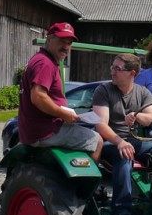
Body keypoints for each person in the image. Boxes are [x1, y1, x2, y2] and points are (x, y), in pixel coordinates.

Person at [91, 54, 152, 215]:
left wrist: (138, 116)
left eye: (117, 69)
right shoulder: (104, 90)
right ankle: (122, 212)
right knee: (124, 155)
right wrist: (120, 142)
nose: (112, 72)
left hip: (134, 140)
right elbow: (100, 125)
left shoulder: (143, 92)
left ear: (132, 73)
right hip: (109, 141)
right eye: (112, 67)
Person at [18, 22, 102, 160]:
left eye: (69, 43)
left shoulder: (41, 59)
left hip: (37, 129)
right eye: (62, 41)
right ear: (49, 39)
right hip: (45, 131)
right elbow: (38, 96)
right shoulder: (45, 63)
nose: (66, 47)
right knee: (96, 140)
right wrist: (63, 114)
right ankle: (82, 182)